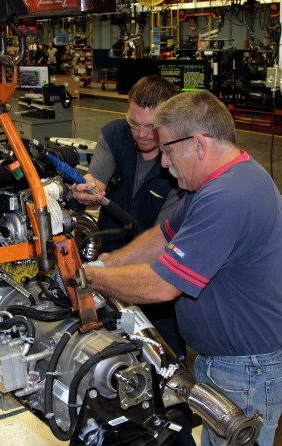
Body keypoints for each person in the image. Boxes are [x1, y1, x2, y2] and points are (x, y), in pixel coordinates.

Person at [84, 90, 282, 446]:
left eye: (167, 150)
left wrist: (91, 278)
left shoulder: (230, 195)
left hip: (248, 369)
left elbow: (162, 284)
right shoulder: (210, 183)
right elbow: (162, 236)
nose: (164, 162)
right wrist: (108, 262)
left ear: (198, 144)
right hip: (228, 362)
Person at [72, 75, 185, 359]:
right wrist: (85, 190)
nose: (142, 133)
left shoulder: (181, 160)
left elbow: (162, 240)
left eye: (151, 126)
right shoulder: (115, 134)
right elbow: (95, 178)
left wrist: (107, 273)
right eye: (134, 123)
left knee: (162, 355)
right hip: (107, 261)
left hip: (153, 277)